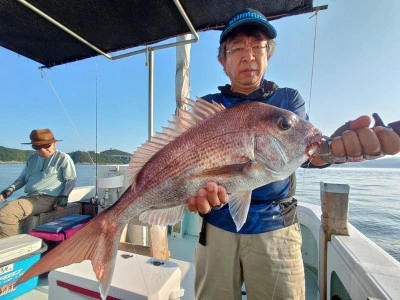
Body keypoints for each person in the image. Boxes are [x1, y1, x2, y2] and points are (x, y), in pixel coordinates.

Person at [186, 8, 400, 300]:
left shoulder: (286, 101)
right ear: (223, 61)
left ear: (267, 55)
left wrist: (337, 150)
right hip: (217, 228)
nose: (249, 55)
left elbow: (310, 153)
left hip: (276, 230)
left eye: (257, 46)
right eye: (237, 48)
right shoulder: (209, 107)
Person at [0, 128, 77, 238]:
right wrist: (9, 190)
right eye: (36, 146)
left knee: (6, 214)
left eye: (46, 145)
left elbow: (71, 179)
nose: (42, 149)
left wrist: (64, 197)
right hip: (30, 198)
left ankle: (13, 249)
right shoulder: (32, 159)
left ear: (54, 143)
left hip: (47, 199)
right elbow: (22, 179)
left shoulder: (63, 158)